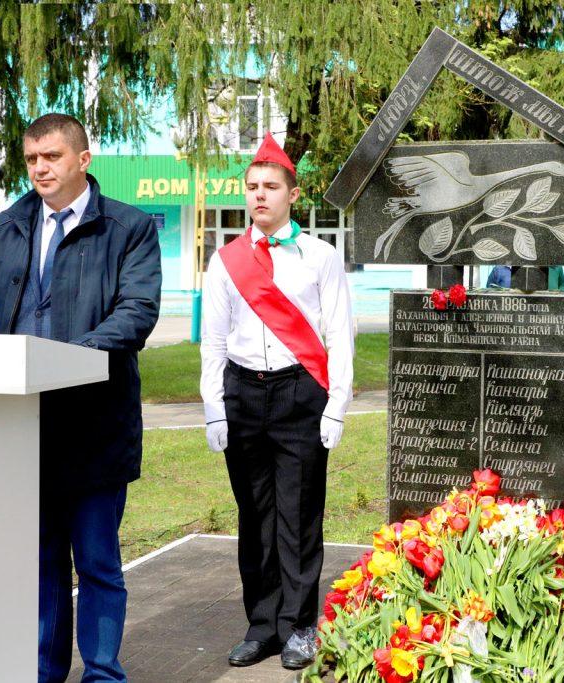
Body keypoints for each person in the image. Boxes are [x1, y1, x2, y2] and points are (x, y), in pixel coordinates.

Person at [0, 113, 161, 682]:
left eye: (51, 157)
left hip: (94, 425)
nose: (40, 169)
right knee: (41, 564)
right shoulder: (7, 226)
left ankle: (102, 674)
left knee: (96, 564)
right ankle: (43, 672)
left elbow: (137, 312)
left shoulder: (130, 228)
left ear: (82, 159)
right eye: (31, 159)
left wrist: (72, 360)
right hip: (21, 426)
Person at [199, 133, 353, 670]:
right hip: (243, 393)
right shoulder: (225, 262)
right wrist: (214, 406)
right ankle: (261, 625)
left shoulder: (321, 257)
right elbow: (213, 342)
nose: (258, 195)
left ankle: (300, 626)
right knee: (255, 517)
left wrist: (337, 404)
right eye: (251, 187)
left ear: (293, 194)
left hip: (299, 393)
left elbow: (340, 335)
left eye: (270, 186)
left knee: (299, 515)